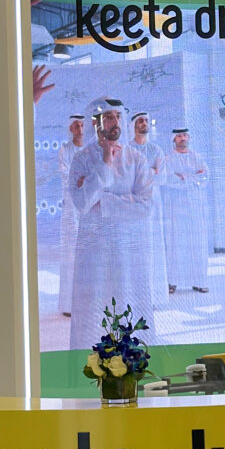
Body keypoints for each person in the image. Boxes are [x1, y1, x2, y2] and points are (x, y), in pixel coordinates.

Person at [65, 98, 158, 348]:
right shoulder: (82, 159)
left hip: (128, 250)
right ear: (96, 123)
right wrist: (105, 163)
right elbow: (82, 203)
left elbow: (146, 206)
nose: (114, 122)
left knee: (129, 304)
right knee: (94, 308)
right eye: (108, 117)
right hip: (93, 251)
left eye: (117, 116)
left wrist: (103, 200)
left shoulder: (136, 158)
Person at [159, 125, 211, 293]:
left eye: (184, 135)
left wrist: (184, 177)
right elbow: (169, 179)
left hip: (195, 209)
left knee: (197, 244)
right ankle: (172, 281)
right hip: (175, 209)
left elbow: (205, 177)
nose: (182, 138)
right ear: (174, 139)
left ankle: (199, 281)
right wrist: (192, 178)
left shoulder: (197, 157)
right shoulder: (168, 159)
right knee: (175, 244)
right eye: (179, 136)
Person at [50, 111, 86, 330]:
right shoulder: (65, 150)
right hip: (71, 209)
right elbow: (67, 177)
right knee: (72, 253)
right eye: (76, 126)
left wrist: (83, 179)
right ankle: (70, 304)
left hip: (88, 207)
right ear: (70, 129)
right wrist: (81, 179)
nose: (80, 129)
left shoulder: (91, 149)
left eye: (82, 125)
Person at [129, 111, 169, 303]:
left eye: (146, 120)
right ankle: (135, 296)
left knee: (154, 247)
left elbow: (162, 178)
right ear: (133, 126)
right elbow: (125, 177)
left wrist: (141, 173)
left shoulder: (156, 150)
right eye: (140, 121)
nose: (144, 123)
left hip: (153, 205)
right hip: (133, 204)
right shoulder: (127, 150)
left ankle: (155, 297)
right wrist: (150, 171)